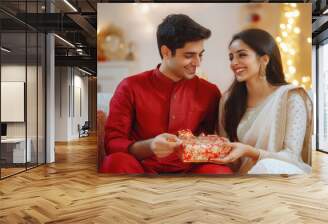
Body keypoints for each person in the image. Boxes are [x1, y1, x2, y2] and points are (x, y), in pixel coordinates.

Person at [100, 14, 232, 174]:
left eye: (200, 54)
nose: (197, 63)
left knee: (219, 172)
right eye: (189, 55)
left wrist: (209, 145)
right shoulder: (130, 87)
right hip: (141, 169)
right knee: (115, 163)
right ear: (166, 52)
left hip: (190, 171)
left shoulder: (209, 92)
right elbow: (112, 143)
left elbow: (209, 138)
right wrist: (149, 146)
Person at [213, 29, 313, 174]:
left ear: (264, 59)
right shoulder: (228, 101)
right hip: (242, 179)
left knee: (265, 167)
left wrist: (250, 152)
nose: (234, 63)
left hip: (282, 176)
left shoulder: (291, 98)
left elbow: (292, 157)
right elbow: (226, 151)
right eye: (231, 57)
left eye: (242, 55)